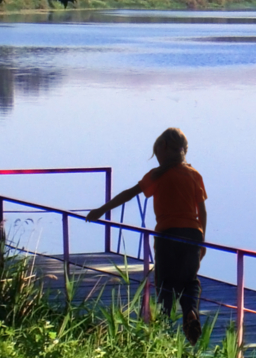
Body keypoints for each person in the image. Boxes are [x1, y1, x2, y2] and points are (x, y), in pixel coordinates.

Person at [88, 128, 208, 345]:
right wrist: (203, 241)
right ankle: (191, 312)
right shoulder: (194, 175)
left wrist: (101, 210)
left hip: (167, 234)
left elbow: (128, 194)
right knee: (190, 281)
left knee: (165, 282)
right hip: (192, 234)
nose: (157, 158)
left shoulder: (157, 175)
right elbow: (203, 211)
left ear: (163, 149)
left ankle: (161, 328)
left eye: (157, 153)